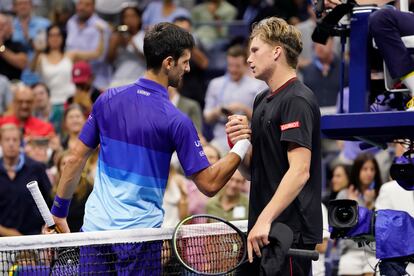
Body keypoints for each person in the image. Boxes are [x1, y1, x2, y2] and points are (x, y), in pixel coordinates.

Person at [50, 22, 250, 273]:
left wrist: (59, 212)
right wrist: (241, 146)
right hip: (141, 241)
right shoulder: (177, 121)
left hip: (95, 236)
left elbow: (73, 160)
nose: (188, 68)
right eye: (185, 61)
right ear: (169, 62)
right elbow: (209, 184)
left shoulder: (107, 100)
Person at [226, 17, 322, 275]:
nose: (249, 59)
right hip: (263, 232)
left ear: (277, 51)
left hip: (288, 233)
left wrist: (265, 220)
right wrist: (240, 143)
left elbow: (300, 171)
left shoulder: (297, 99)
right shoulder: (261, 100)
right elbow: (251, 173)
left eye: (255, 50)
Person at [204, 44, 266, 155]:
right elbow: (207, 117)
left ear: (246, 65)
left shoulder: (258, 86)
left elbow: (263, 119)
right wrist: (219, 110)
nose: (233, 69)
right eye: (230, 65)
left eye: (237, 66)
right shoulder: (215, 84)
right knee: (209, 155)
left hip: (247, 139)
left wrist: (242, 108)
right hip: (220, 139)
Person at [0, 124, 52, 236]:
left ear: (21, 142)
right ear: (1, 142)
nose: (11, 143)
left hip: (34, 238)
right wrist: (6, 232)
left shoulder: (36, 168)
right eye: (7, 140)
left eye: (15, 139)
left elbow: (49, 200)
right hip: (2, 242)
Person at [0, 13, 28, 81]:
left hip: (13, 83)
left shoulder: (17, 45)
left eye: (3, 25)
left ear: (10, 27)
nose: (1, 29)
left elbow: (23, 64)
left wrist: (1, 47)